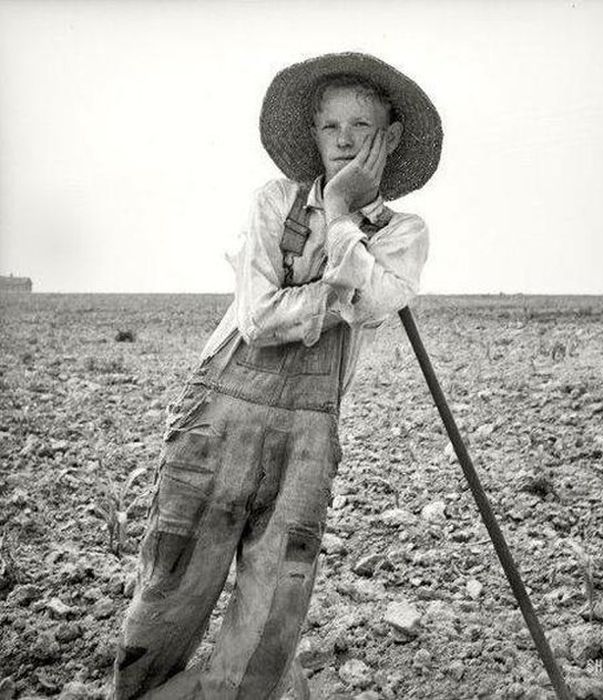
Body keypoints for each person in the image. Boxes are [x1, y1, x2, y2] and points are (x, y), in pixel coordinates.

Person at [112, 51, 442, 700]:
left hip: (307, 443)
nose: (344, 140)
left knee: (269, 626)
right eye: (329, 127)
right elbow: (260, 320)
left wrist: (343, 217)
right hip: (217, 427)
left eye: (362, 126)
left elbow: (374, 301)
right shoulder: (272, 203)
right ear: (312, 134)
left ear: (392, 136)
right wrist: (340, 282)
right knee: (169, 598)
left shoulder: (404, 233)